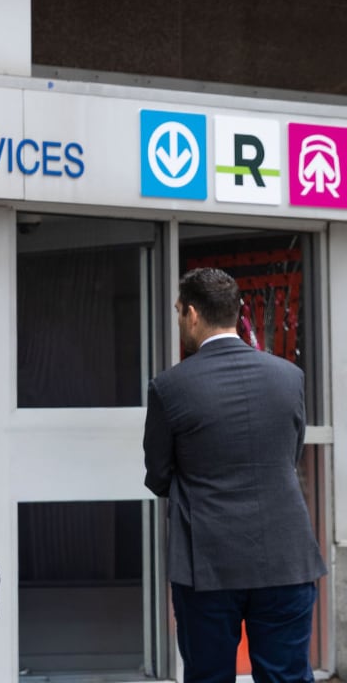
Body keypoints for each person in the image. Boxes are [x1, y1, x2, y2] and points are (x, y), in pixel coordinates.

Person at [143, 268, 326, 683]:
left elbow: (158, 476)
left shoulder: (170, 387)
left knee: (209, 676)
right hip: (286, 558)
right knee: (287, 677)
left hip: (206, 564)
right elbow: (290, 454)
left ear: (191, 314)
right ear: (238, 309)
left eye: (178, 311)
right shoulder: (289, 377)